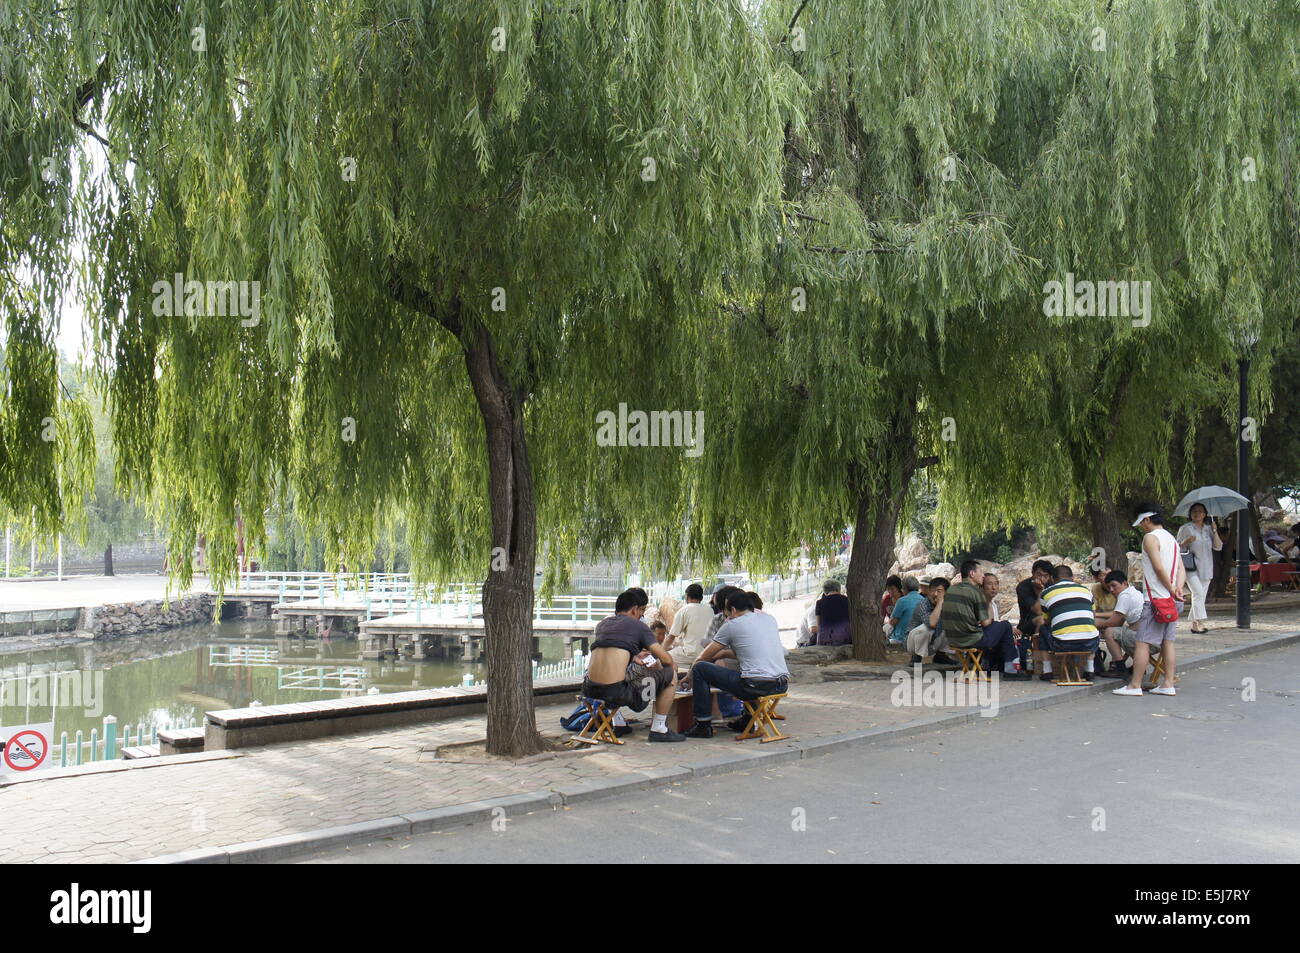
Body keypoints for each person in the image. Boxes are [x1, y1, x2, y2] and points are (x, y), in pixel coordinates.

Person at [582, 588, 685, 741]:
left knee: (632, 678)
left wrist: (633, 657)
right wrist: (670, 667)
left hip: (588, 688)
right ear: (635, 609)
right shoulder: (639, 626)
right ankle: (659, 729)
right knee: (670, 675)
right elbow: (667, 660)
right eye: (642, 610)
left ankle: (619, 723)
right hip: (616, 692)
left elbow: (611, 653)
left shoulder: (602, 625)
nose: (642, 615)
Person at [685, 591, 790, 738]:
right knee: (749, 670)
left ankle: (702, 724)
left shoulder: (732, 625)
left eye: (727, 613)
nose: (727, 617)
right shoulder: (769, 619)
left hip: (755, 686)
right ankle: (747, 720)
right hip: (781, 684)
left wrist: (689, 675)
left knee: (700, 669)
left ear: (733, 610)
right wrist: (724, 654)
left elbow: (704, 656)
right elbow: (753, 652)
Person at [1113, 507, 1185, 697]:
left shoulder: (1151, 538)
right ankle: (1168, 682)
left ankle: (1134, 685)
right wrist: (1177, 589)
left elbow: (1158, 567)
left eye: (1142, 523)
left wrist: (1169, 589)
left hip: (1156, 599)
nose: (1142, 527)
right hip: (1173, 600)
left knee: (1142, 643)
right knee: (1168, 642)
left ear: (1147, 520)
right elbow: (1180, 569)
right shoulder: (1172, 539)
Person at [939, 561, 1027, 678]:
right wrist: (993, 622)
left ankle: (988, 665)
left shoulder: (951, 590)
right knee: (1005, 625)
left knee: (996, 628)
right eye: (980, 572)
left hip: (953, 640)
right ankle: (1011, 671)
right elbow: (985, 623)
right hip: (970, 640)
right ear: (972, 574)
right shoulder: (976, 592)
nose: (983, 575)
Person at [1036, 564, 1101, 680]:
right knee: (1092, 628)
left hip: (1062, 644)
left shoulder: (1046, 593)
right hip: (1089, 643)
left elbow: (1047, 621)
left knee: (1042, 628)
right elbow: (1093, 616)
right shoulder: (1086, 590)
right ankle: (1089, 669)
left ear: (1052, 578)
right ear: (1072, 578)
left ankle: (1047, 671)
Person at [1176, 503, 1222, 634]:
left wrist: (1215, 531)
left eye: (1200, 511)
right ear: (1190, 514)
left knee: (1200, 597)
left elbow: (1218, 547)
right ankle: (1200, 621)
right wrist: (1186, 542)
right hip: (1191, 567)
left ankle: (1194, 624)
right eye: (1194, 511)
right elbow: (1177, 548)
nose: (1197, 513)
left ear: (1205, 514)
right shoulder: (1185, 528)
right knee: (1198, 593)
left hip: (1207, 567)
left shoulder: (1208, 529)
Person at [1095, 569, 1144, 677]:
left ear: (1125, 583)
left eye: (1114, 585)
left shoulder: (1125, 595)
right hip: (1150, 638)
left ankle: (1120, 668)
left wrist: (1096, 624)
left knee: (1109, 633)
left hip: (1141, 640)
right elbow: (1119, 619)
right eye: (1109, 587)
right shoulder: (1134, 592)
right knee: (1117, 630)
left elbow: (1114, 621)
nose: (1112, 590)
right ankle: (1138, 665)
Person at [1014, 559, 1054, 673]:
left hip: (1050, 619)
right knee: (1041, 620)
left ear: (1050, 577)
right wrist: (1041, 591)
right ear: (1032, 572)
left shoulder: (1052, 585)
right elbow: (1038, 610)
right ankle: (1040, 664)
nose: (1041, 578)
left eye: (1045, 576)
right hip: (1028, 624)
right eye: (1039, 574)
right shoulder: (1023, 587)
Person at [664, 583, 715, 664]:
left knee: (664, 656)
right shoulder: (710, 610)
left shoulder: (684, 610)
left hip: (691, 655)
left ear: (687, 596)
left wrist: (661, 650)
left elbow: (671, 637)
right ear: (701, 597)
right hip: (708, 655)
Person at [907, 576, 952, 663]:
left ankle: (940, 656)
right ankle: (916, 657)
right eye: (932, 590)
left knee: (950, 624)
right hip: (912, 644)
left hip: (932, 643)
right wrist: (940, 603)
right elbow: (931, 624)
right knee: (926, 628)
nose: (935, 594)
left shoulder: (948, 604)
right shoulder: (923, 604)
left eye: (939, 591)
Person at [886, 576, 924, 643]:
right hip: (919, 638)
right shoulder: (924, 600)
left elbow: (892, 622)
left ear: (905, 588)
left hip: (901, 638)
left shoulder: (902, 601)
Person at [813, 580, 851, 646]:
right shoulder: (847, 600)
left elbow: (819, 625)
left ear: (825, 591)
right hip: (846, 639)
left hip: (825, 641)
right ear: (838, 588)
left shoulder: (819, 603)